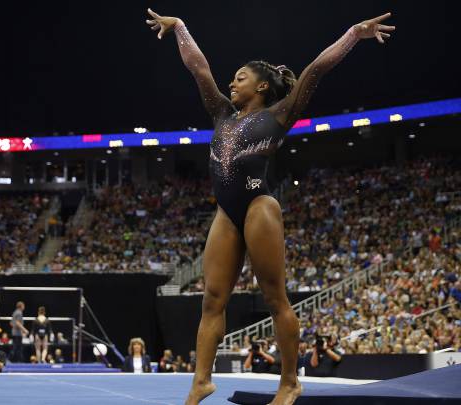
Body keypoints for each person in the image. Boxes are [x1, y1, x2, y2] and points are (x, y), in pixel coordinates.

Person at [146, 8, 395, 405]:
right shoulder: (222, 115)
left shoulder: (279, 115)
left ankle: (290, 381)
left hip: (259, 206)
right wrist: (180, 27)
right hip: (226, 212)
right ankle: (201, 381)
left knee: (275, 297)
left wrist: (352, 34)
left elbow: (315, 70)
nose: (231, 82)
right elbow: (198, 69)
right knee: (212, 298)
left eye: (240, 78)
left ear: (262, 87)